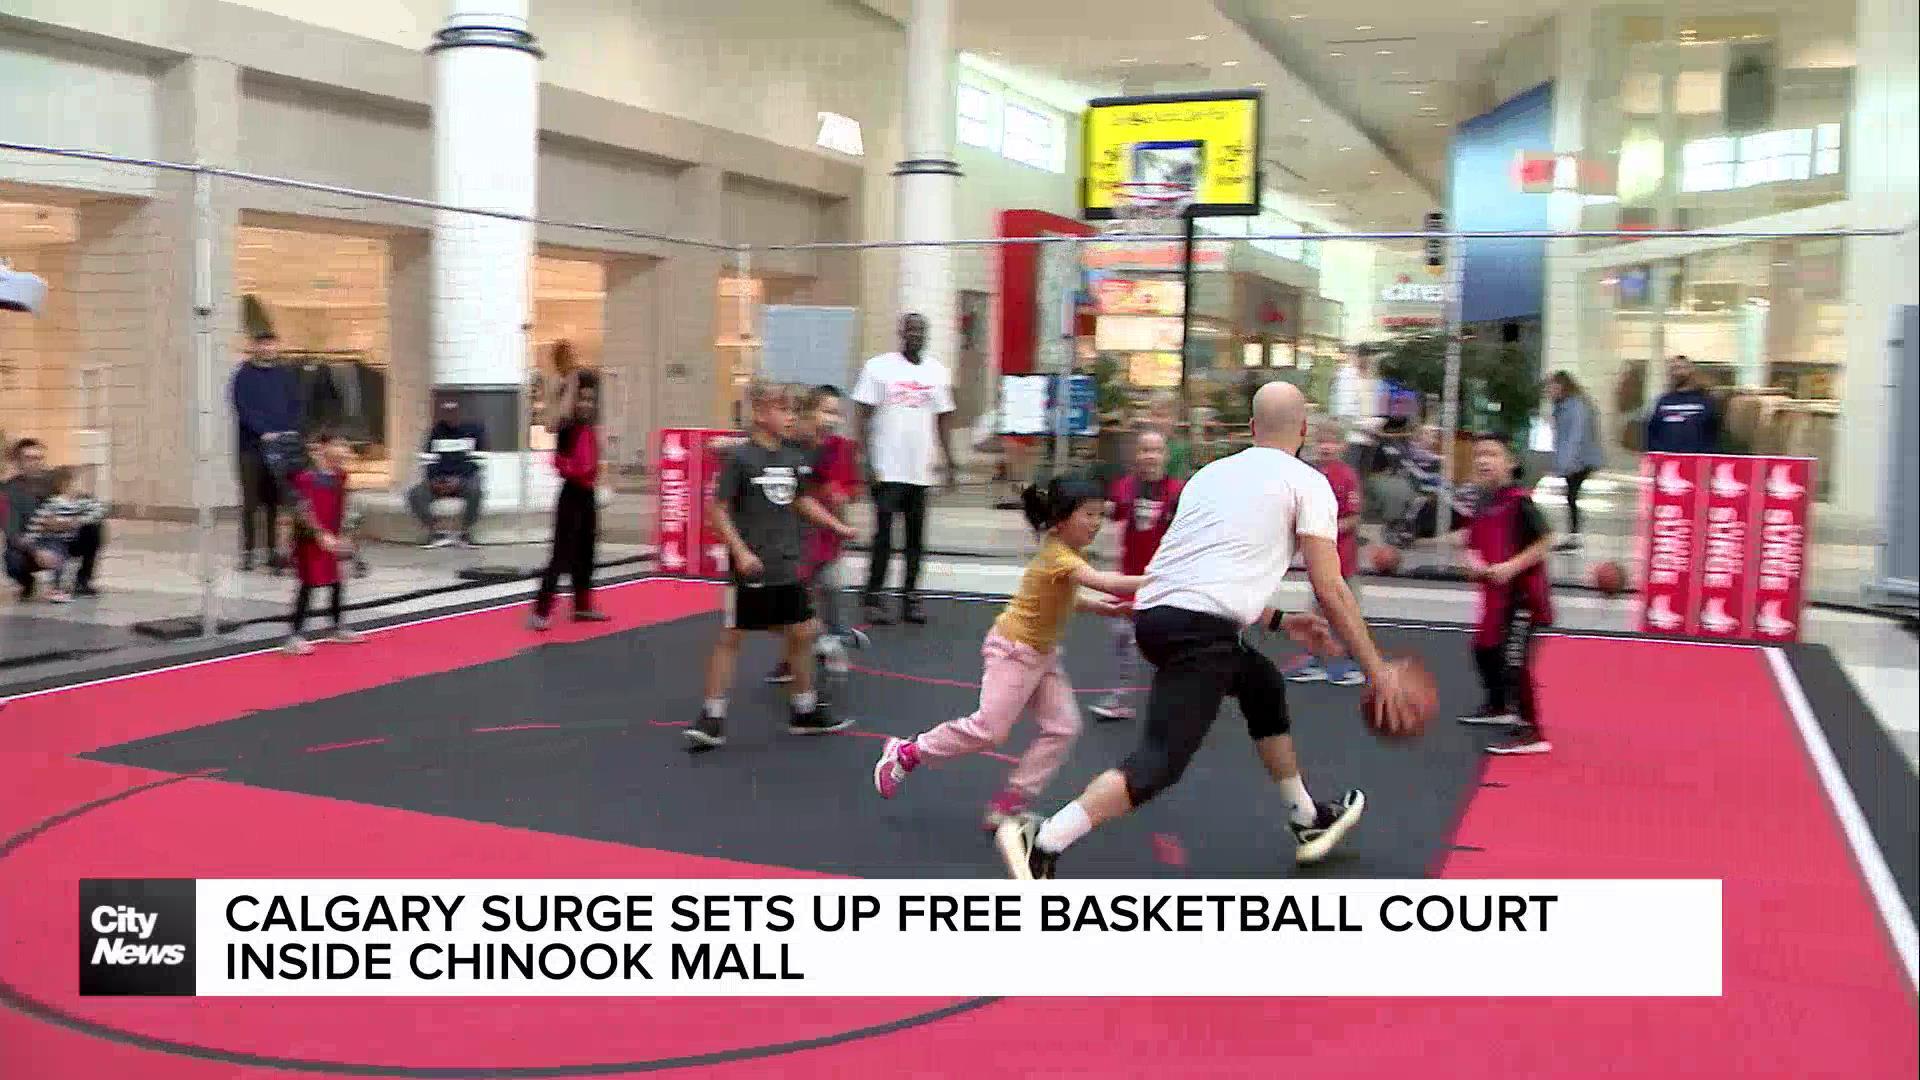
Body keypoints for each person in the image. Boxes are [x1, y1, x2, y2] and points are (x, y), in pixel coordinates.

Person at [993, 381, 1430, 881]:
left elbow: (1206, 570)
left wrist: (1282, 621)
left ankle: (1306, 817)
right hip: (1197, 629)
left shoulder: (1210, 476)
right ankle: (1043, 840)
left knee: (1261, 683)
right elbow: (1331, 588)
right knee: (1160, 763)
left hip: (1157, 615)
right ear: (1304, 431)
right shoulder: (1309, 484)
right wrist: (1377, 671)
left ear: (1250, 430)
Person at [872, 474, 1144, 829]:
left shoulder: (1068, 552)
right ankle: (908, 752)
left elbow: (1060, 598)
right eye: (1089, 515)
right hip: (1013, 652)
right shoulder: (1060, 554)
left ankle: (1009, 802)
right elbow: (1107, 582)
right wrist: (1166, 578)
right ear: (1062, 518)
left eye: (1100, 515)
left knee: (1063, 727)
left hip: (1042, 656)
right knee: (990, 729)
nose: (1096, 524)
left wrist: (1105, 609)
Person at [687, 381, 859, 748]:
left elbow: (801, 501)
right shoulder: (741, 459)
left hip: (786, 565)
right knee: (731, 637)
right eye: (783, 410)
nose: (790, 417)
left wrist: (837, 525)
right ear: (761, 413)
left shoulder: (792, 458)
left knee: (803, 632)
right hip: (751, 567)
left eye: (792, 410)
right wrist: (741, 552)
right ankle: (711, 717)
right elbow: (718, 511)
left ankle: (804, 709)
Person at [1453, 435, 1555, 755]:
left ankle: (1532, 731)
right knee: (1483, 650)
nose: (1484, 460)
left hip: (1522, 596)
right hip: (1495, 598)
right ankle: (1500, 706)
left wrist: (1511, 567)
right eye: (1480, 454)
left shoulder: (1519, 501)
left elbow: (1544, 541)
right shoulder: (1483, 504)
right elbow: (1471, 545)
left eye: (1492, 454)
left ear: (1510, 464)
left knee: (1515, 661)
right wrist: (1472, 562)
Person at [852, 313, 956, 626]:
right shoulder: (879, 367)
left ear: (927, 335)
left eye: (921, 330)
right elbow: (862, 415)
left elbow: (944, 419)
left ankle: (910, 597)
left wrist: (949, 463)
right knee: (883, 535)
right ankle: (873, 596)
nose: (915, 335)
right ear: (900, 332)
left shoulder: (937, 372)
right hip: (886, 468)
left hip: (918, 469)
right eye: (910, 329)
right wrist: (865, 458)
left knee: (915, 538)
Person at [766, 385, 867, 686]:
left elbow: (852, 489)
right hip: (795, 538)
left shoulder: (840, 449)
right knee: (793, 605)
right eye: (826, 411)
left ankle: (835, 640)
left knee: (831, 591)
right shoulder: (789, 447)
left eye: (836, 413)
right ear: (807, 414)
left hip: (827, 538)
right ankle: (798, 654)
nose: (832, 419)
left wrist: (843, 498)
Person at [1089, 429, 1183, 722]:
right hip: (1129, 579)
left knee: (1170, 643)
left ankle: (1182, 697)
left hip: (1166, 581)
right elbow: (1109, 512)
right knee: (1121, 635)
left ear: (1165, 455)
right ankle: (1120, 697)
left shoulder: (1180, 492)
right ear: (1136, 455)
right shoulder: (1124, 488)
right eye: (1144, 450)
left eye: (1156, 450)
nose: (1150, 456)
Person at [1287, 419, 1366, 687]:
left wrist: (1323, 530)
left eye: (1332, 442)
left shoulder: (1347, 476)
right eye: (1322, 441)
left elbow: (1353, 518)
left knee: (1346, 614)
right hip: (1321, 562)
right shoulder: (1310, 475)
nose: (1326, 447)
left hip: (1342, 560)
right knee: (1318, 612)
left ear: (1343, 446)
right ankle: (1318, 659)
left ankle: (1355, 663)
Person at [530, 371, 609, 630]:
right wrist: (572, 383)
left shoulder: (588, 427)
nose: (587, 404)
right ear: (574, 401)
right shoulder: (567, 426)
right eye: (582, 399)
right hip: (571, 494)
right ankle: (541, 611)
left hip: (587, 495)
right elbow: (554, 426)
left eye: (591, 400)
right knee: (561, 555)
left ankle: (582, 606)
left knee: (586, 553)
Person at [284, 431, 365, 655]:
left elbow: (347, 507)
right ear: (322, 448)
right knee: (308, 584)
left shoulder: (340, 477)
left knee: (337, 581)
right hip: (310, 539)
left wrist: (347, 535)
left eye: (345, 445)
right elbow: (303, 509)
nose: (343, 450)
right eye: (339, 444)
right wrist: (320, 534)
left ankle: (337, 626)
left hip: (333, 535)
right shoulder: (306, 478)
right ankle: (295, 636)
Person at [231, 330, 303, 572]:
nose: (267, 349)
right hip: (251, 449)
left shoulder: (286, 374)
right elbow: (243, 408)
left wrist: (290, 432)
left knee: (274, 500)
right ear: (254, 346)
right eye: (262, 344)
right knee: (251, 502)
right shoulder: (243, 375)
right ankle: (249, 552)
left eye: (271, 344)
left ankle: (273, 551)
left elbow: (295, 406)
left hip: (280, 447)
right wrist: (263, 431)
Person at [4, 439, 107, 600]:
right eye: (29, 458)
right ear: (19, 462)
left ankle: (82, 580)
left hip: (63, 537)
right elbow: (12, 533)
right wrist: (36, 551)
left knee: (94, 526)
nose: (35, 463)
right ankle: (27, 582)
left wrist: (72, 522)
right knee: (12, 560)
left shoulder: (58, 480)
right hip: (32, 543)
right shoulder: (8, 491)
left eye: (39, 458)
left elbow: (89, 504)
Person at [408, 395, 487, 548]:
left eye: (454, 411)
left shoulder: (474, 431)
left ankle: (464, 533)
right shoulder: (435, 432)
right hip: (439, 481)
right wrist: (436, 480)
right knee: (415, 494)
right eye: (447, 412)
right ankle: (437, 533)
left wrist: (458, 480)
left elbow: (479, 462)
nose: (451, 416)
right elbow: (428, 462)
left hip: (464, 480)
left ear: (460, 413)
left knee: (476, 490)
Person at [1547, 371, 1603, 550]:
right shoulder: (1562, 406)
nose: (1550, 390)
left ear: (1563, 387)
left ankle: (1573, 537)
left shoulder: (1576, 406)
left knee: (1571, 495)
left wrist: (1568, 462)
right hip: (1574, 459)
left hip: (1580, 460)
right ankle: (1573, 536)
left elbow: (1575, 437)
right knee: (1570, 496)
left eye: (1554, 386)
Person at [1644, 355, 1719, 454]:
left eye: (1680, 368)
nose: (1676, 373)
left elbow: (1714, 435)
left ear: (1691, 370)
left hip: (1696, 462)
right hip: (1668, 463)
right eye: (1673, 369)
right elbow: (1652, 433)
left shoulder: (1705, 401)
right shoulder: (1663, 401)